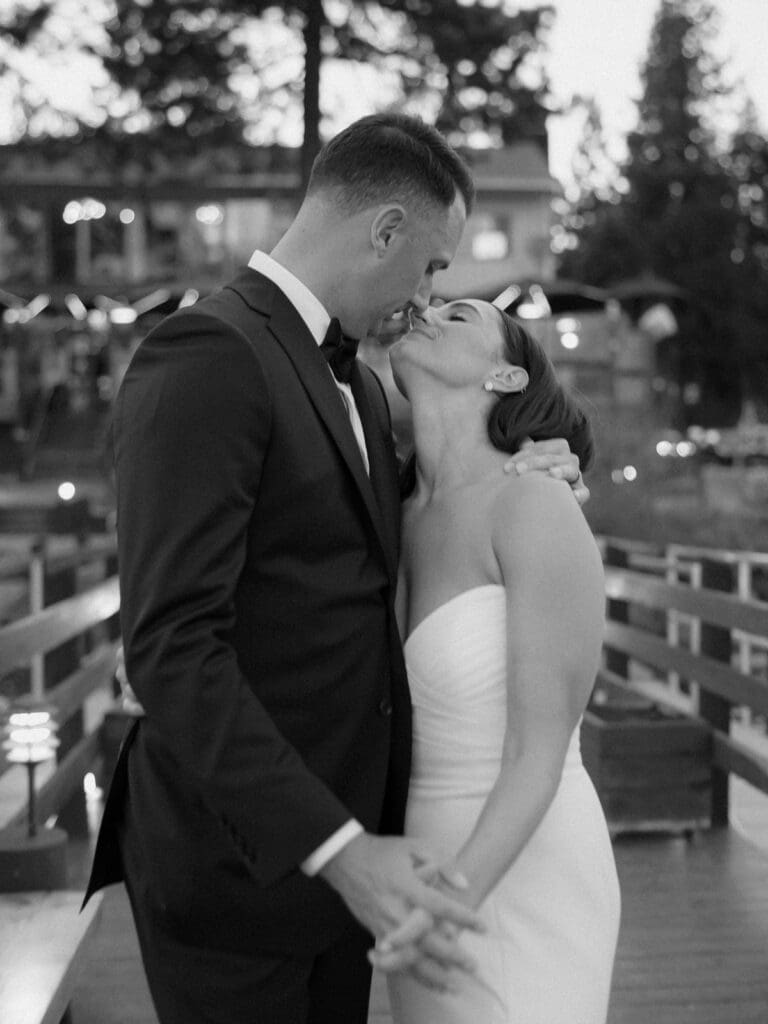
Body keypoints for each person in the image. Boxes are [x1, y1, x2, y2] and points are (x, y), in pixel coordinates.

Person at [84, 113, 586, 1024]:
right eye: (433, 265)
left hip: (347, 888)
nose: (430, 293)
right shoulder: (208, 356)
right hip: (241, 871)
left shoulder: (355, 382)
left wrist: (548, 467)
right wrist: (341, 849)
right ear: (386, 231)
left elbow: (358, 541)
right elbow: (171, 646)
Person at [373, 299, 621, 1024]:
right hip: (412, 871)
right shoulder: (386, 511)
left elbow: (536, 752)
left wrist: (454, 896)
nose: (425, 311)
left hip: (517, 866)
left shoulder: (535, 503)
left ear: (507, 376)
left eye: (458, 315)